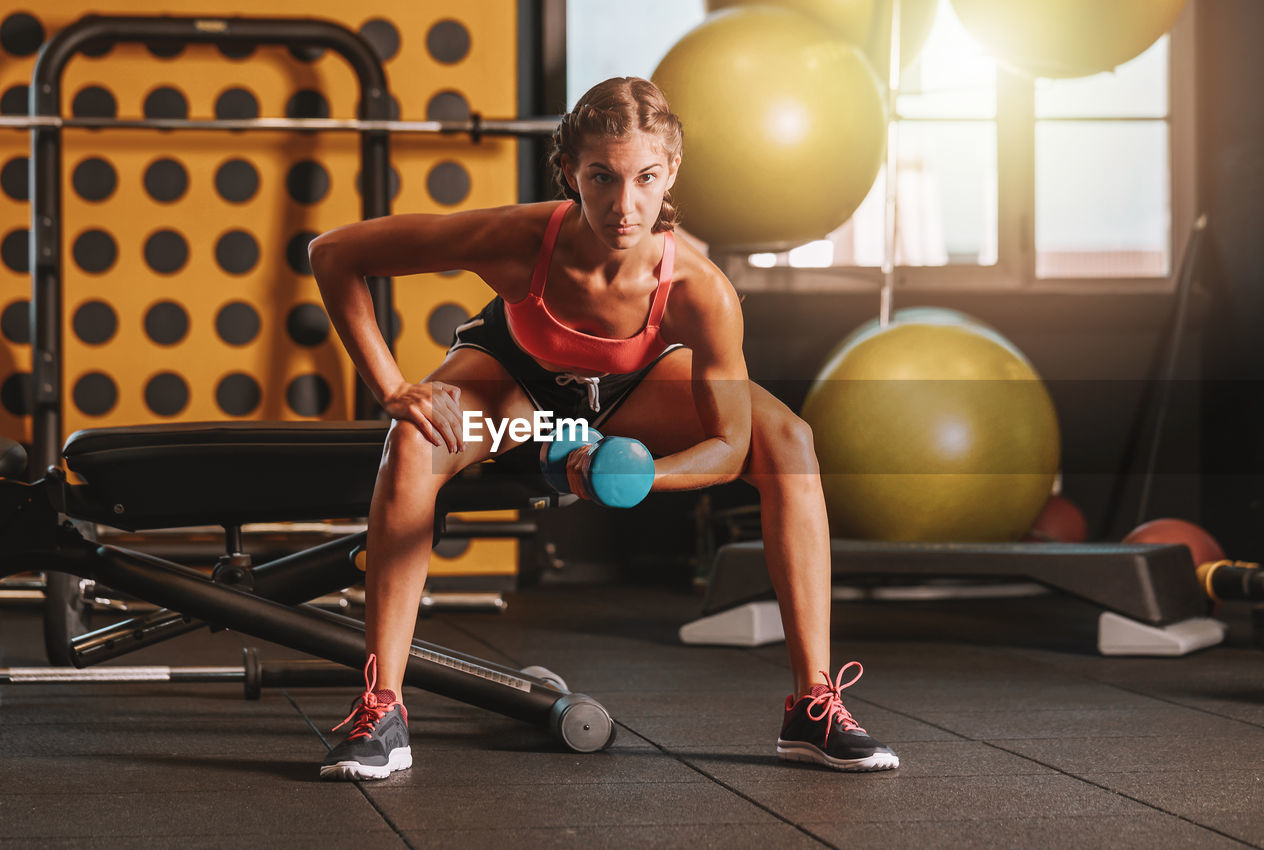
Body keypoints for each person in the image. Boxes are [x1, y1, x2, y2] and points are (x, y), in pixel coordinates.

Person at [308, 76, 899, 780]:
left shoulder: (698, 292)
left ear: (671, 171)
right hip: (512, 384)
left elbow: (730, 445)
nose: (626, 205)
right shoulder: (515, 239)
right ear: (569, 173)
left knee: (788, 442)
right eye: (603, 177)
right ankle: (383, 706)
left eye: (646, 178)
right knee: (412, 441)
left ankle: (812, 705)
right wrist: (393, 387)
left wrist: (634, 471)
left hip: (628, 393)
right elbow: (335, 253)